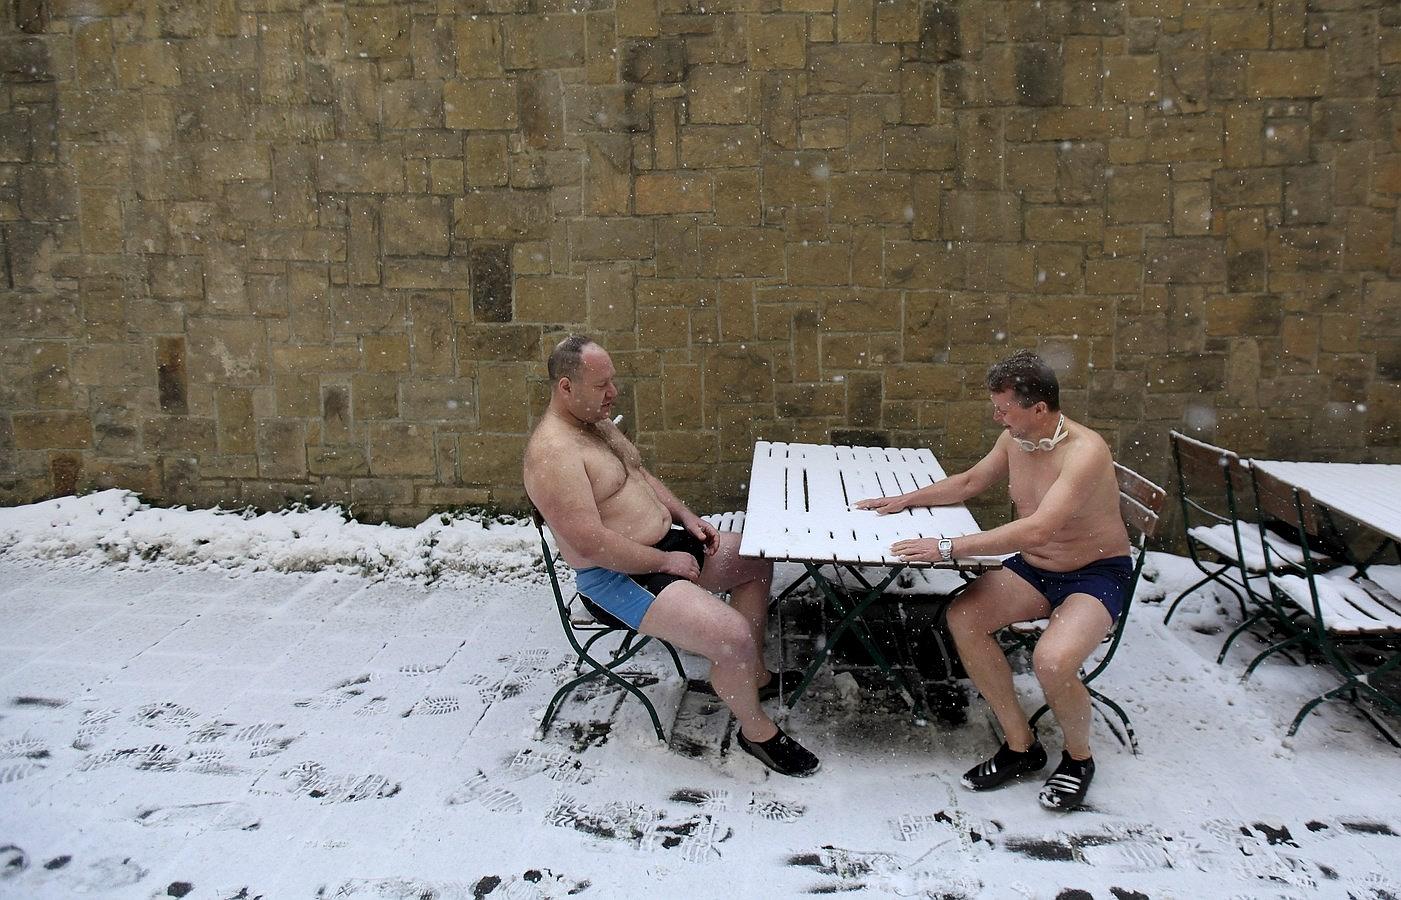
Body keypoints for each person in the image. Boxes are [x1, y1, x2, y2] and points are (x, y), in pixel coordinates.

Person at [523, 335, 819, 777]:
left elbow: (636, 474)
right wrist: (664, 563)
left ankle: (751, 676)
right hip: (618, 577)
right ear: (565, 387)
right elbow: (590, 543)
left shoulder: (595, 423)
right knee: (731, 636)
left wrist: (685, 514)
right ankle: (755, 732)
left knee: (757, 558)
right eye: (602, 385)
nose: (613, 393)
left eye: (613, 382)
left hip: (665, 547)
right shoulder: (553, 454)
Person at [856, 350, 1131, 810]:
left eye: (1004, 407)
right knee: (965, 617)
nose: (996, 415)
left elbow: (1041, 527)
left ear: (1038, 408)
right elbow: (968, 483)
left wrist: (948, 546)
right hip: (1036, 567)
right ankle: (1021, 746)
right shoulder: (1015, 439)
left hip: (1095, 573)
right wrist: (905, 499)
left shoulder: (1085, 452)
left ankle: (1079, 759)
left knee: (1053, 659)